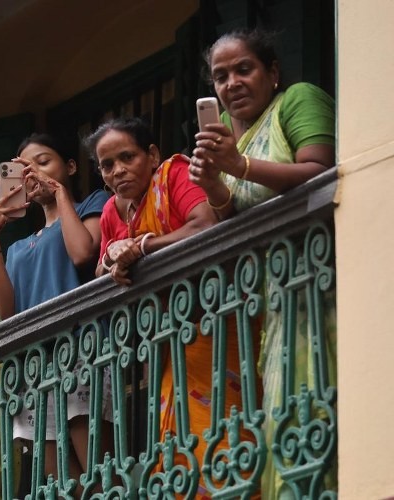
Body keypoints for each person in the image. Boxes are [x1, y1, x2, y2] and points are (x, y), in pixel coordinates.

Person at [188, 28, 337, 498]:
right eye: (220, 76)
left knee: (319, 399)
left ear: (272, 72)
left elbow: (320, 171)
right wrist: (214, 183)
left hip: (320, 278)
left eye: (243, 69)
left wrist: (239, 166)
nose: (231, 83)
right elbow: (231, 215)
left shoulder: (296, 100)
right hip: (270, 299)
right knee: (282, 414)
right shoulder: (229, 135)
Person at [88, 117, 236, 498]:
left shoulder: (174, 175)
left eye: (128, 157)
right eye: (107, 165)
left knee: (223, 436)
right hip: (167, 341)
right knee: (179, 445)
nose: (118, 170)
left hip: (216, 321)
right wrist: (113, 255)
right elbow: (102, 269)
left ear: (152, 155)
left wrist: (142, 246)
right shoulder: (112, 211)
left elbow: (204, 225)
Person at [0, 132, 110, 495]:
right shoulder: (19, 247)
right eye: (24, 169)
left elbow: (82, 253)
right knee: (60, 481)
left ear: (69, 166)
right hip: (36, 366)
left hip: (80, 349)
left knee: (99, 470)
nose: (33, 172)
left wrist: (59, 193)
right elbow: (7, 310)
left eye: (43, 162)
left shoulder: (92, 204)